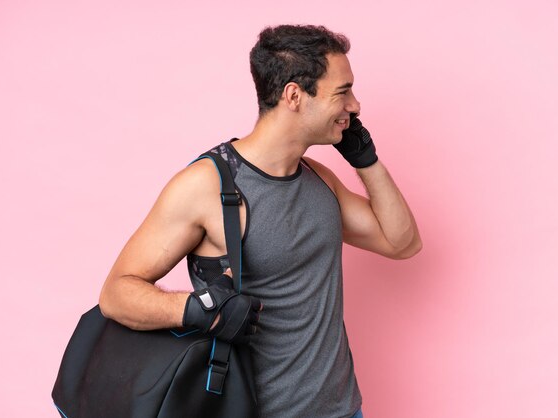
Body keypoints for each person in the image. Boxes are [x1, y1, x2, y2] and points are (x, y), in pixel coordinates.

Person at [99, 24, 422, 418]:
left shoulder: (318, 178)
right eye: (343, 91)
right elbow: (116, 294)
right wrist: (194, 309)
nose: (354, 106)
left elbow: (402, 242)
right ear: (294, 95)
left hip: (342, 411)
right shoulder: (207, 186)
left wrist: (366, 160)